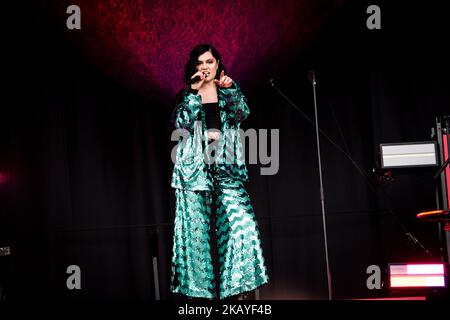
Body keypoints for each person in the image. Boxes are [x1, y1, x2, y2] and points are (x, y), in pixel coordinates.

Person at [170, 44, 268, 299]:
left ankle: (236, 291)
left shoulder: (227, 91)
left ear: (217, 64)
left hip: (227, 168)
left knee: (242, 225)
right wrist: (192, 93)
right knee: (195, 238)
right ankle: (198, 296)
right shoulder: (186, 94)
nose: (205, 67)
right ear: (194, 68)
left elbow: (242, 113)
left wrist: (231, 90)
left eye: (209, 62)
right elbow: (181, 123)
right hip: (193, 172)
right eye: (200, 63)